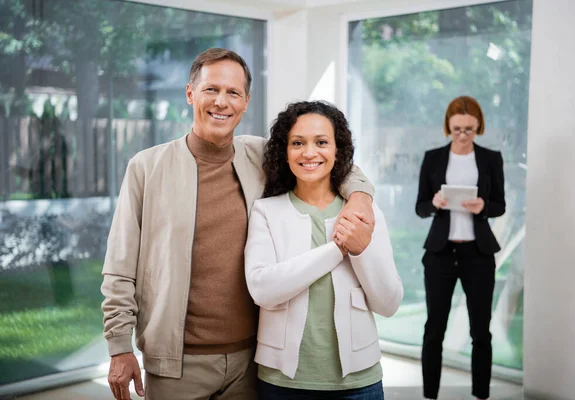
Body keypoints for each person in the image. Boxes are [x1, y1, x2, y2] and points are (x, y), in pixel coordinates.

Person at [101, 49, 376, 400]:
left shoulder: (260, 157)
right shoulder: (147, 167)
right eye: (211, 89)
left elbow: (331, 162)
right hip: (176, 364)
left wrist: (360, 197)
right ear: (190, 94)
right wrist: (118, 345)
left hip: (251, 361)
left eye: (233, 93)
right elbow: (120, 266)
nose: (221, 102)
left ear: (246, 101)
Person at [244, 101, 404, 400]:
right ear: (285, 151)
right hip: (283, 384)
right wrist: (337, 249)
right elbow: (263, 289)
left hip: (359, 384)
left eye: (321, 142)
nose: (309, 152)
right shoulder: (266, 211)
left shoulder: (365, 213)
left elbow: (389, 303)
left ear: (337, 150)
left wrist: (361, 250)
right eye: (297, 143)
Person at [415, 96, 505, 400]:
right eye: (457, 130)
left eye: (469, 129)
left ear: (478, 125)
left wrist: (483, 206)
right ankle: (430, 394)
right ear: (448, 127)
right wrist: (435, 203)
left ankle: (481, 394)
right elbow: (420, 206)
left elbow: (500, 206)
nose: (463, 135)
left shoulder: (491, 159)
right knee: (434, 329)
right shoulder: (433, 158)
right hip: (441, 254)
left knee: (481, 331)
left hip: (478, 255)